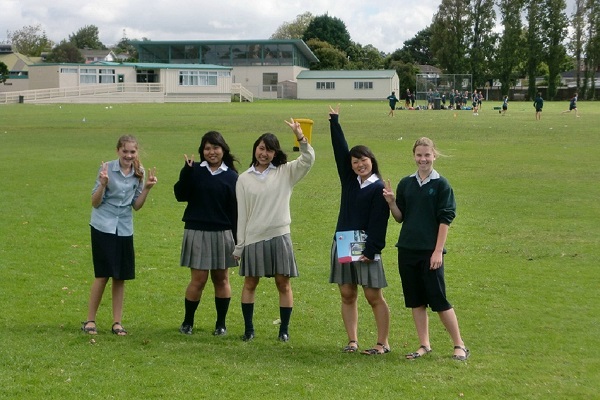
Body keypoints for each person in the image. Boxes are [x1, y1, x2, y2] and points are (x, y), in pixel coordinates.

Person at [383, 137, 469, 361]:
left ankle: (459, 345)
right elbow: (400, 218)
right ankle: (424, 344)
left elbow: (445, 219)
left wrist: (438, 251)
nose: (423, 159)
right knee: (416, 301)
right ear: (414, 156)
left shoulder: (442, 185)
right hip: (407, 250)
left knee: (439, 300)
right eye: (419, 155)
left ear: (434, 156)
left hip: (431, 252)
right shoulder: (406, 183)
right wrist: (392, 203)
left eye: (427, 155)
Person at [234, 119, 315, 342]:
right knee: (250, 283)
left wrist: (300, 137)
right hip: (253, 238)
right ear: (255, 149)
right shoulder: (243, 179)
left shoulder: (285, 172)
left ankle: (284, 330)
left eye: (269, 150)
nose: (264, 153)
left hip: (280, 236)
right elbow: (242, 215)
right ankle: (249, 330)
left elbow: (308, 160)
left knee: (283, 283)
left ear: (275, 153)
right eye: (261, 148)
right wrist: (239, 246)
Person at [328, 105, 391, 355]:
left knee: (373, 295)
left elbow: (379, 222)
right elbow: (339, 151)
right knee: (346, 293)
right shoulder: (349, 181)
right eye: (355, 162)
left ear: (371, 161)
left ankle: (382, 343)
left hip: (367, 245)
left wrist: (372, 249)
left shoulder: (378, 188)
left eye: (363, 160)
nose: (358, 165)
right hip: (344, 242)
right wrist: (335, 122)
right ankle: (352, 341)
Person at [82, 135, 158, 336]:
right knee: (102, 274)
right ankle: (90, 320)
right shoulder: (106, 168)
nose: (129, 155)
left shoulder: (139, 172)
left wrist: (147, 189)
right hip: (103, 225)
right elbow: (95, 202)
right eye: (125, 151)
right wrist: (103, 184)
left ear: (137, 152)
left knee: (120, 276)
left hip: (124, 227)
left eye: (132, 152)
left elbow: (136, 205)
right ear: (118, 151)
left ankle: (117, 323)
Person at [174, 131, 239, 336]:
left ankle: (220, 324)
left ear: (223, 150)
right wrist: (186, 172)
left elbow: (236, 212)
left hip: (222, 232)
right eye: (207, 148)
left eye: (215, 147)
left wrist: (238, 242)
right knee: (198, 279)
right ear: (202, 151)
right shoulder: (194, 171)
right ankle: (188, 322)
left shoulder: (232, 177)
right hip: (197, 230)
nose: (212, 152)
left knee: (221, 279)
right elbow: (180, 195)